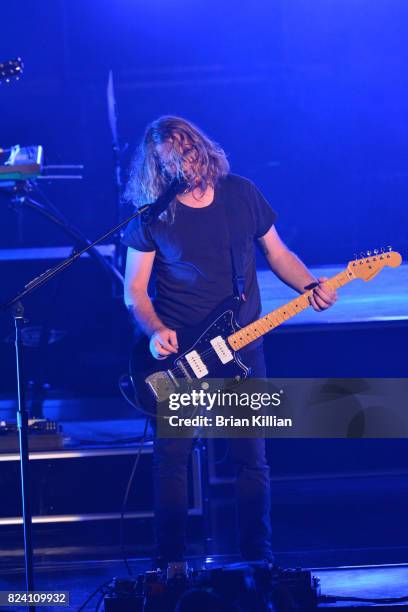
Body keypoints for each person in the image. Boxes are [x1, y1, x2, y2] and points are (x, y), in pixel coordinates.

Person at [123, 116, 337, 568]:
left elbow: (277, 253)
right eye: (172, 157)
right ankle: (171, 561)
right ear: (158, 167)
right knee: (172, 460)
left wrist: (308, 286)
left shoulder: (241, 194)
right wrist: (156, 329)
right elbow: (135, 291)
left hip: (241, 345)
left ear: (201, 147)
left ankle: (259, 557)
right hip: (180, 358)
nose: (186, 160)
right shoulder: (152, 214)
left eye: (189, 149)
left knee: (251, 457)